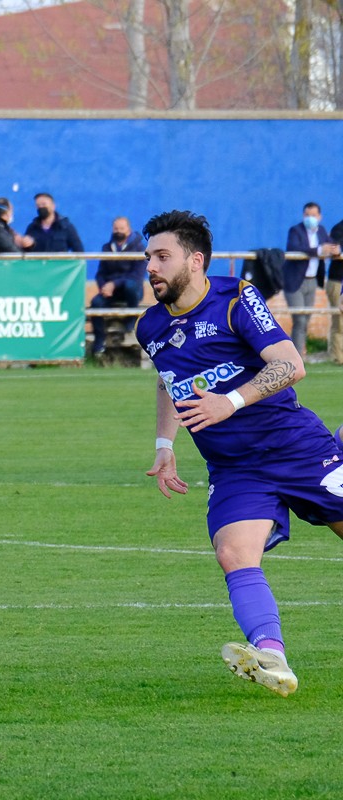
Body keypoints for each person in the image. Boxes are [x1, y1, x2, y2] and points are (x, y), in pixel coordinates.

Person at [138, 210, 343, 697]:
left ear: (196, 260)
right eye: (148, 257)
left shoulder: (235, 299)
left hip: (294, 447)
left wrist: (228, 401)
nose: (151, 266)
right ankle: (271, 655)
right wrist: (165, 444)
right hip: (235, 469)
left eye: (162, 256)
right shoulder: (151, 326)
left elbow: (291, 365)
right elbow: (169, 382)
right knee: (233, 553)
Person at [281, 202, 339, 356]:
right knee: (299, 318)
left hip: (312, 281)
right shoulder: (296, 230)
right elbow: (294, 248)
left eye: (313, 215)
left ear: (319, 217)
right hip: (295, 281)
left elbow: (329, 244)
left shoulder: (321, 231)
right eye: (307, 215)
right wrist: (319, 250)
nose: (310, 218)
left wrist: (334, 249)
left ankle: (298, 352)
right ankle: (297, 355)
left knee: (306, 319)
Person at [89, 216, 146, 355]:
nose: (118, 231)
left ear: (129, 229)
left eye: (121, 228)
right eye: (115, 228)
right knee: (95, 302)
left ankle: (131, 321)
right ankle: (99, 342)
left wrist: (113, 284)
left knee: (130, 286)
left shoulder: (139, 248)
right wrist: (104, 287)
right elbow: (100, 274)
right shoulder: (107, 248)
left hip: (132, 290)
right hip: (111, 291)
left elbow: (137, 276)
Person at [330, 215, 343, 364]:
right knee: (339, 321)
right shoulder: (338, 229)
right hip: (337, 280)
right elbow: (335, 249)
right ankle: (338, 357)